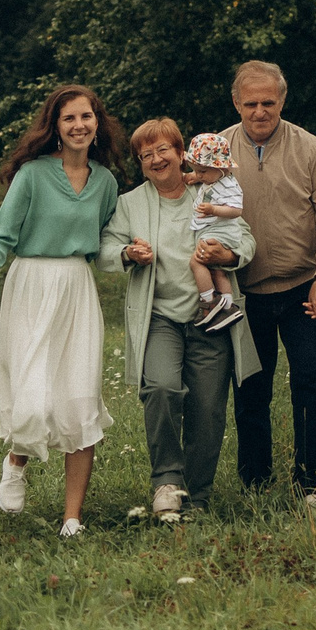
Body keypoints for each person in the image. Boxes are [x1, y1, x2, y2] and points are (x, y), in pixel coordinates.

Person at [0, 85, 126, 538]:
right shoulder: (33, 175)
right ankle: (15, 462)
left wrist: (129, 254)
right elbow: (2, 235)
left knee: (80, 396)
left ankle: (71, 518)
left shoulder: (106, 183)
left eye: (86, 117)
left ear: (97, 123)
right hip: (31, 283)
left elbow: (106, 242)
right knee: (34, 395)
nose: (79, 125)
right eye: (69, 118)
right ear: (56, 127)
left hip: (76, 288)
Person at [100, 118, 258, 521]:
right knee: (161, 388)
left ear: (180, 153)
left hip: (210, 317)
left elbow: (245, 239)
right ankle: (167, 483)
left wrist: (226, 255)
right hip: (160, 318)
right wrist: (128, 254)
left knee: (207, 408)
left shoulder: (208, 191)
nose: (156, 159)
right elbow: (105, 248)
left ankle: (198, 496)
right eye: (146, 155)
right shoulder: (130, 203)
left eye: (163, 150)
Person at [221, 61, 316, 507]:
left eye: (268, 102)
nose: (260, 111)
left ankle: (313, 483)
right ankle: (254, 483)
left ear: (282, 101)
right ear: (236, 103)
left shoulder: (310, 147)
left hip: (303, 287)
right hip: (244, 289)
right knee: (250, 388)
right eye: (250, 104)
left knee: (310, 381)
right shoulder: (217, 148)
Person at [181, 132, 247, 331]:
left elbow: (236, 211)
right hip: (215, 229)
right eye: (196, 170)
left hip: (221, 231)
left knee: (196, 262)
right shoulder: (212, 178)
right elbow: (201, 176)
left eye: (202, 171)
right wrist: (192, 176)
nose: (199, 175)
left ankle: (209, 302)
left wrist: (213, 210)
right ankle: (228, 308)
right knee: (217, 271)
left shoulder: (229, 185)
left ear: (222, 168)